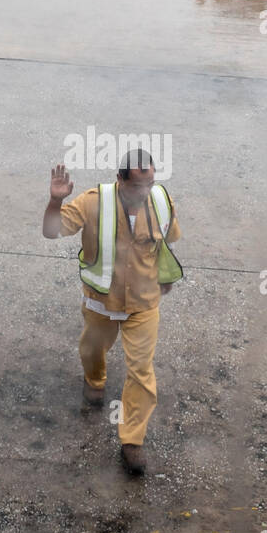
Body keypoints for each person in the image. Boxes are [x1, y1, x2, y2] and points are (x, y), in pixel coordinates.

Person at [41, 149, 183, 476]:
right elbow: (51, 231)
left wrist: (165, 276)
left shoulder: (162, 201)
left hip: (144, 304)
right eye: (137, 187)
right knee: (92, 349)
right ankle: (95, 378)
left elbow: (168, 241)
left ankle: (132, 440)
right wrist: (54, 200)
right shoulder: (92, 203)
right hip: (102, 302)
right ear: (119, 180)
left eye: (150, 185)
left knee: (141, 370)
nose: (144, 193)